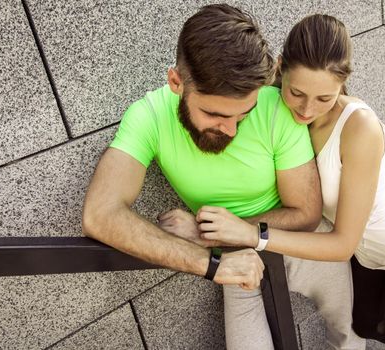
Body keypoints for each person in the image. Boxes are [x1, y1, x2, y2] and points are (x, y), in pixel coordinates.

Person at [82, 5, 364, 350]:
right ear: (176, 82)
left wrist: (208, 233)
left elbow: (305, 213)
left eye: (242, 115)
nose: (230, 130)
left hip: (301, 246)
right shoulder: (148, 117)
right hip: (233, 257)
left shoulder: (276, 107)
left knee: (350, 335)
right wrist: (210, 259)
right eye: (214, 114)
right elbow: (100, 214)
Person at [197, 14, 385, 350]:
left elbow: (343, 243)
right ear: (279, 69)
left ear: (342, 84)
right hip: (365, 258)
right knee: (367, 325)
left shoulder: (360, 128)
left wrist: (253, 235)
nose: (305, 109)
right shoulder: (272, 107)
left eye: (324, 99)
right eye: (297, 92)